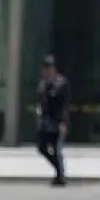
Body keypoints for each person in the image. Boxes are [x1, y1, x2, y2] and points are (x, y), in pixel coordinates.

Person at [36, 55, 70, 186]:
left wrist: (63, 122)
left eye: (49, 68)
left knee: (56, 149)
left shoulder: (61, 83)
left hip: (57, 121)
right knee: (41, 147)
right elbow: (40, 101)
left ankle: (60, 176)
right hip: (45, 121)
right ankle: (59, 171)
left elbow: (63, 105)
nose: (46, 71)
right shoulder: (43, 83)